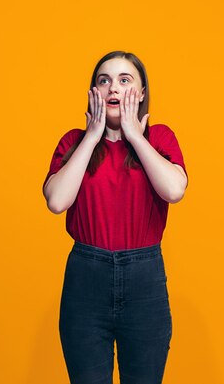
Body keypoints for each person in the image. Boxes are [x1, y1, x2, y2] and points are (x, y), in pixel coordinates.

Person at [42, 51, 188, 384]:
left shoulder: (159, 138)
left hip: (145, 281)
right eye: (104, 80)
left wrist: (135, 134)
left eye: (125, 80)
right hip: (85, 280)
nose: (113, 88)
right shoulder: (74, 142)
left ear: (140, 92)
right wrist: (92, 136)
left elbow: (174, 191)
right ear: (93, 92)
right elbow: (57, 201)